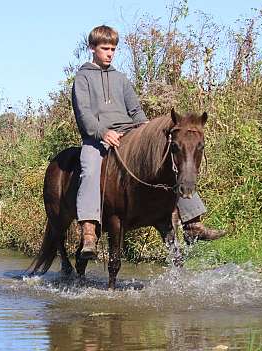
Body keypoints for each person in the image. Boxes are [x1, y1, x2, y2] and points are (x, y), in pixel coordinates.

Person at [71, 25, 225, 259]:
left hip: (128, 133)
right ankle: (90, 230)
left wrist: (145, 130)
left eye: (113, 49)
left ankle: (192, 221)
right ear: (92, 48)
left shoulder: (120, 78)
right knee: (89, 168)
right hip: (97, 138)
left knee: (170, 158)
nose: (110, 53)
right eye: (105, 48)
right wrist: (102, 132)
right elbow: (83, 113)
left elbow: (135, 110)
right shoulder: (83, 77)